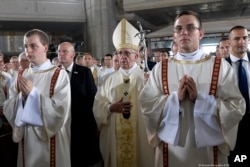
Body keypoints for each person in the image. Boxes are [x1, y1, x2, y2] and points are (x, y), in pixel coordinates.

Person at [138, 10, 245, 167]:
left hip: (209, 150)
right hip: (171, 150)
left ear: (201, 33)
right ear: (174, 36)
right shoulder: (161, 68)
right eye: (179, 29)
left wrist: (201, 99)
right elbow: (146, 105)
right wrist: (174, 99)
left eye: (190, 28)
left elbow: (237, 107)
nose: (184, 33)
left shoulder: (220, 66)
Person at [3, 29, 71, 167]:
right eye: (26, 46)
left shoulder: (59, 74)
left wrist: (33, 94)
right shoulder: (21, 74)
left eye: (33, 46)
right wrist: (21, 98)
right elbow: (9, 106)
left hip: (51, 137)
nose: (28, 50)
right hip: (27, 137)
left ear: (45, 47)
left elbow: (60, 111)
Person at [93, 18, 155, 167]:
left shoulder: (147, 77)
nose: (122, 56)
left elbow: (157, 105)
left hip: (141, 136)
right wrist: (109, 108)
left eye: (127, 52)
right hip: (115, 136)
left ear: (136, 56)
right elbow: (98, 105)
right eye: (120, 53)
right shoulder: (109, 79)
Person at [57, 42, 102, 167]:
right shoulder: (54, 73)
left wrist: (95, 123)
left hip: (81, 123)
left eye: (65, 51)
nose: (61, 54)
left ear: (73, 54)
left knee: (81, 157)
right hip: (60, 123)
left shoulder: (84, 72)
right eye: (59, 51)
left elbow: (93, 98)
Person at [226, 25, 250, 167]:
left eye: (245, 38)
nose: (242, 41)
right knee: (236, 159)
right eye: (237, 39)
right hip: (232, 122)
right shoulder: (220, 66)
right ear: (229, 42)